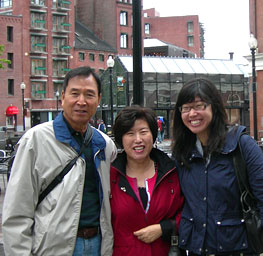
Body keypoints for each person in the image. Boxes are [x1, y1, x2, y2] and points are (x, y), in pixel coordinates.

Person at [2, 66, 118, 255]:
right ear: (63, 96)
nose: (81, 101)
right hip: (54, 248)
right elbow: (17, 211)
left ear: (98, 100)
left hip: (98, 245)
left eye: (89, 95)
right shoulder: (35, 141)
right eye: (75, 93)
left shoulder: (104, 144)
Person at [171, 77, 263, 256]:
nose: (192, 114)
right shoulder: (183, 153)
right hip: (197, 249)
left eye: (199, 106)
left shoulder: (242, 145)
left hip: (236, 248)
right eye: (186, 108)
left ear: (214, 107)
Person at [110, 106, 184, 256]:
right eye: (130, 133)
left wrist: (164, 229)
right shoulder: (110, 176)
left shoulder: (171, 172)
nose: (138, 139)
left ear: (153, 134)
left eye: (143, 132)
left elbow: (191, 211)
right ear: (120, 139)